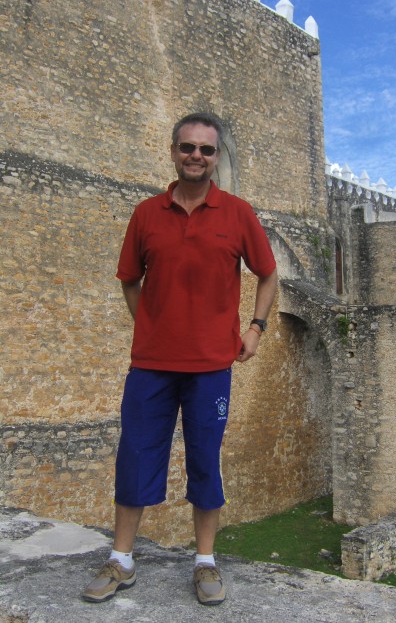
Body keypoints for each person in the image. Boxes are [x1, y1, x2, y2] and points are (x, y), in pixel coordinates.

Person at [82, 112, 277, 606]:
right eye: (188, 147)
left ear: (216, 158)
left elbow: (268, 274)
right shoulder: (147, 214)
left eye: (206, 150)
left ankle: (205, 561)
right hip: (151, 365)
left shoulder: (237, 213)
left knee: (206, 461)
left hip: (211, 367)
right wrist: (150, 325)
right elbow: (130, 279)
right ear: (173, 152)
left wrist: (256, 328)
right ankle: (121, 559)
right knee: (135, 455)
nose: (196, 156)